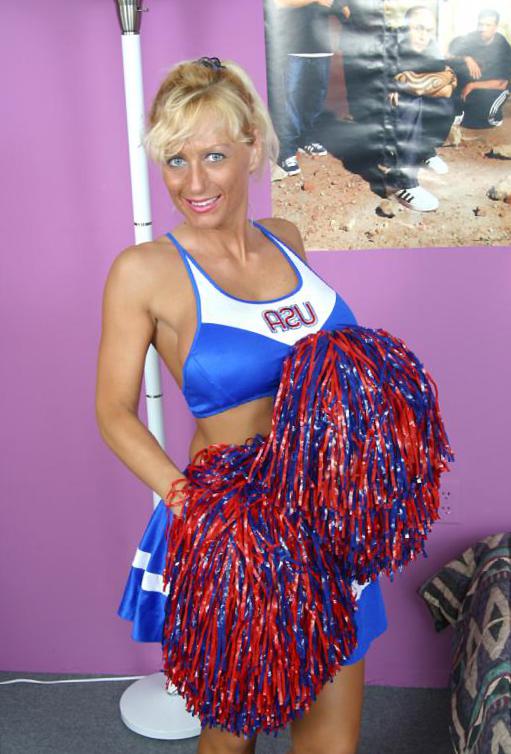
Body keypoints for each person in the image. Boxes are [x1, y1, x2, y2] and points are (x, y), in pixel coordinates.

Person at [96, 57, 387, 753]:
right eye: (175, 160)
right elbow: (113, 411)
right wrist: (194, 507)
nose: (193, 183)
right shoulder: (144, 271)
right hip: (237, 535)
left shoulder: (287, 237)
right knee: (231, 736)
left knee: (331, 740)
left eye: (214, 155)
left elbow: (325, 373)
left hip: (327, 518)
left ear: (253, 148)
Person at [384, 6, 456, 211]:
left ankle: (424, 151)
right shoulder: (390, 46)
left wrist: (417, 82)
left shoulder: (430, 46)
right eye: (418, 28)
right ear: (405, 27)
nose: (424, 35)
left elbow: (449, 84)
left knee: (445, 103)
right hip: (377, 113)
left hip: (409, 99)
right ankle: (402, 183)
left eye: (428, 30)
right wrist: (428, 83)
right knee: (409, 100)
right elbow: (410, 86)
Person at [265, 0, 349, 176]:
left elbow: (341, 8)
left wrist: (343, 8)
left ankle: (307, 138)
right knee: (290, 101)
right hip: (293, 46)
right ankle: (286, 150)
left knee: (315, 98)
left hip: (321, 48)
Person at [448, 9, 511, 129]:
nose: (483, 28)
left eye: (488, 25)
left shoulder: (503, 47)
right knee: (452, 68)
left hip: (494, 87)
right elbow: (449, 56)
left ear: (495, 27)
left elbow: (502, 84)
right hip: (475, 82)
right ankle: (460, 108)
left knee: (481, 120)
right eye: (480, 24)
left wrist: (472, 86)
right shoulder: (471, 38)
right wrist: (467, 58)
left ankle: (494, 116)